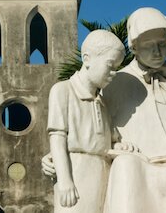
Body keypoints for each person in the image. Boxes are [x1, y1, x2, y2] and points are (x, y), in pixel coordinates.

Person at [42, 7, 166, 212]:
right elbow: (92, 131)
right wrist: (54, 156)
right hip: (140, 168)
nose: (157, 52)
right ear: (134, 47)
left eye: (162, 44)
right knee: (126, 167)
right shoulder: (113, 82)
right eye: (150, 46)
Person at [48, 30, 125, 212]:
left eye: (117, 67)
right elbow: (57, 137)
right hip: (77, 172)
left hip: (102, 173)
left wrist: (121, 146)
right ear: (87, 58)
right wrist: (65, 180)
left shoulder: (103, 103)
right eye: (110, 65)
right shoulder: (63, 90)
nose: (113, 72)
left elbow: (111, 140)